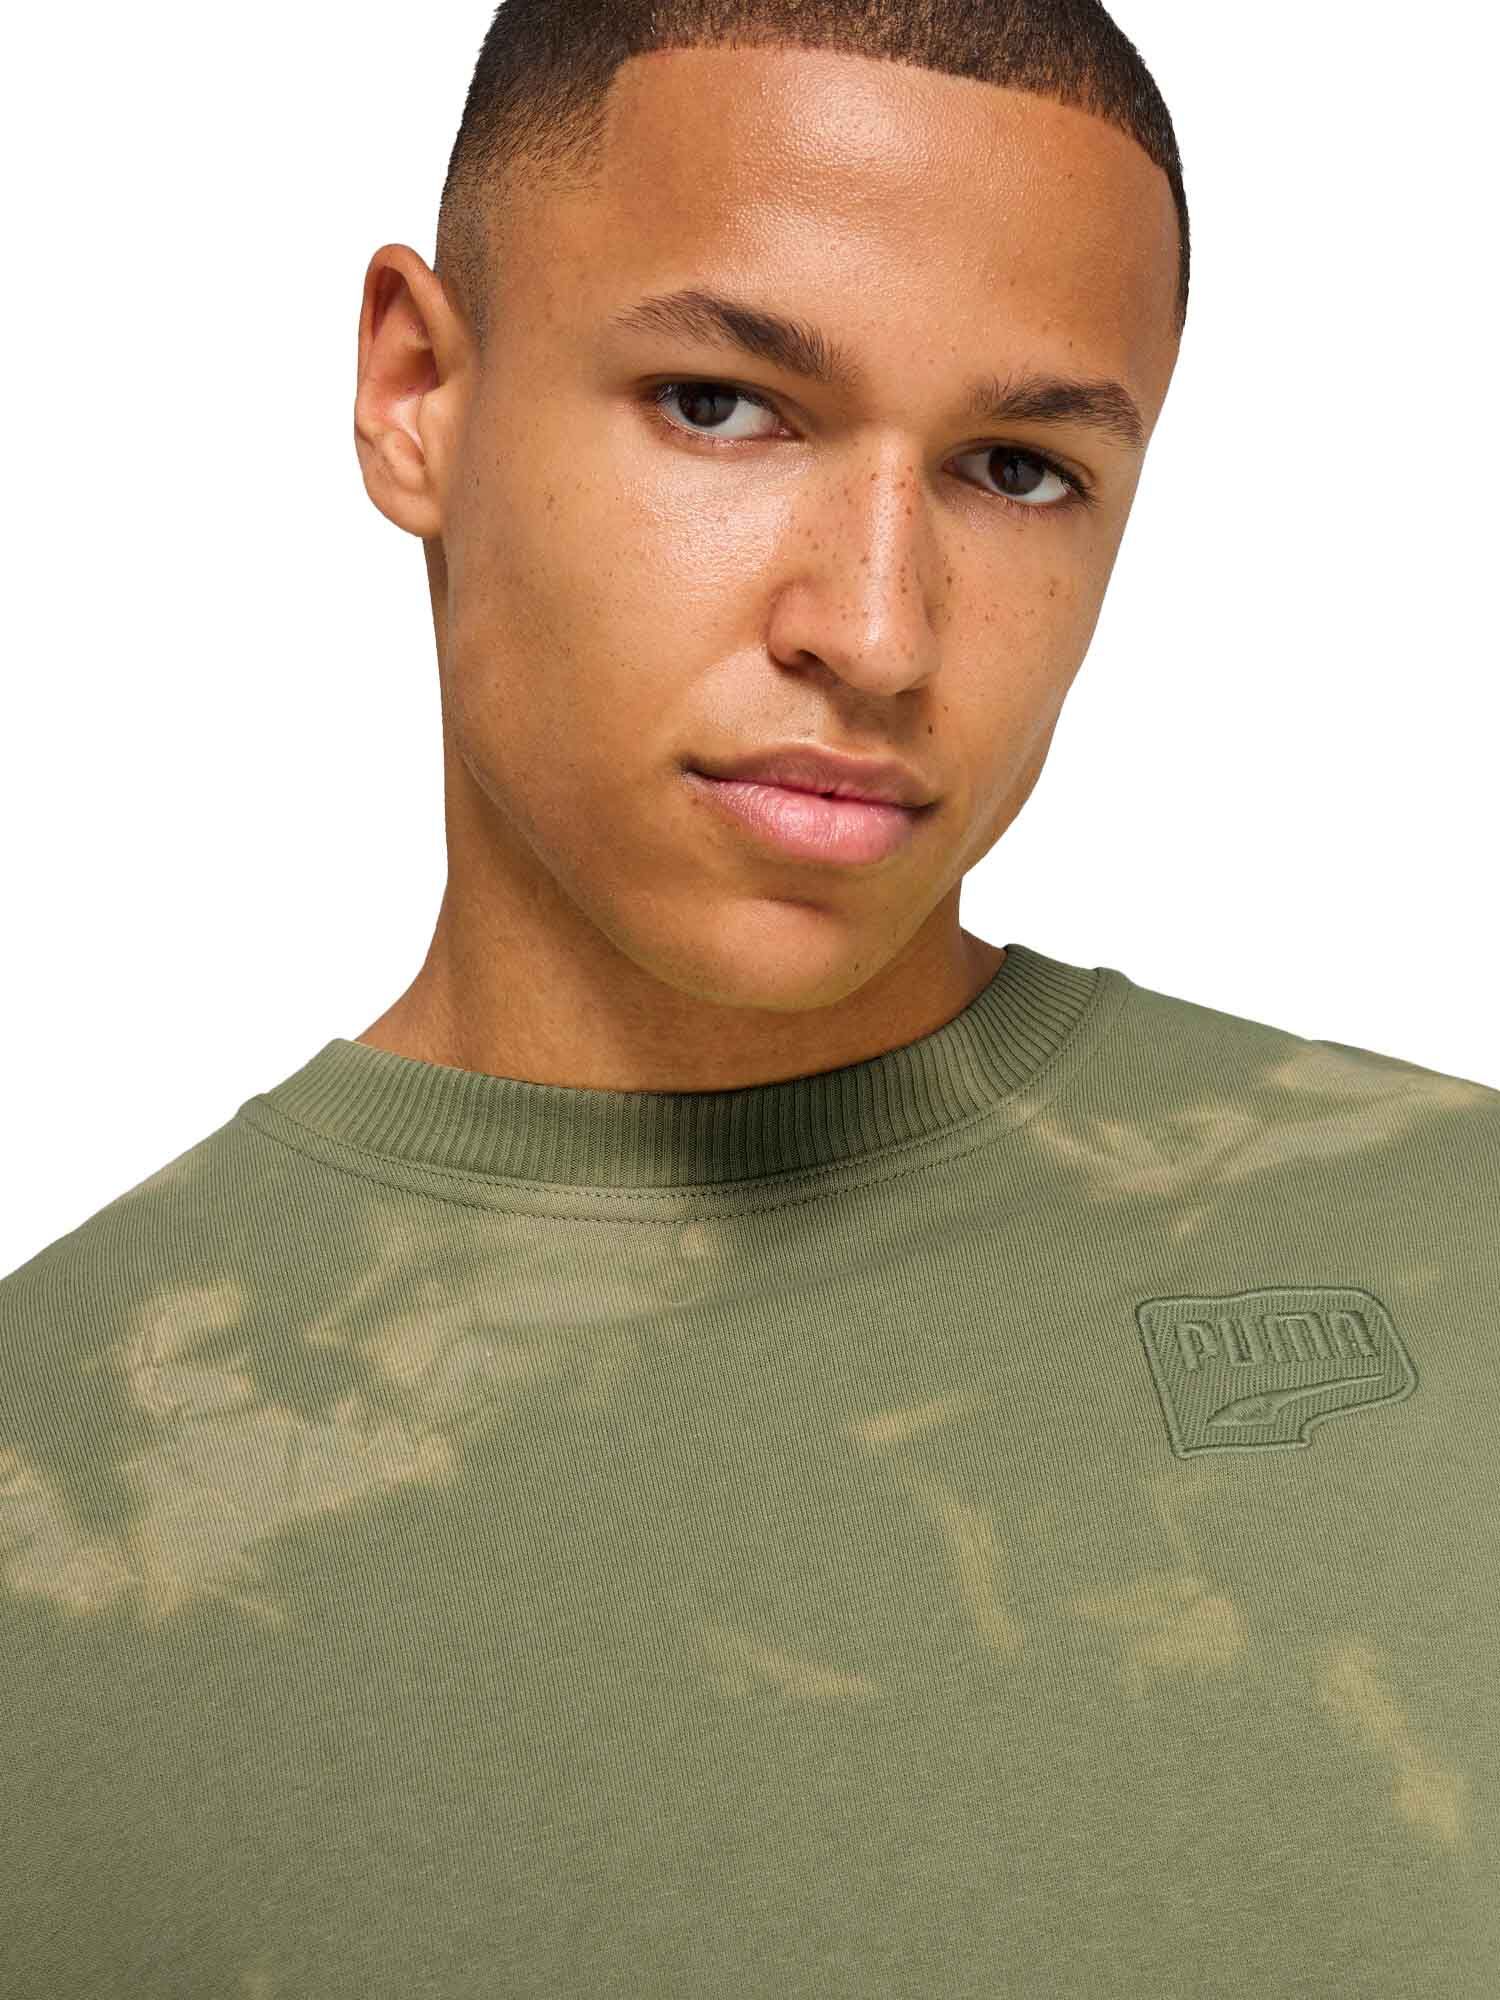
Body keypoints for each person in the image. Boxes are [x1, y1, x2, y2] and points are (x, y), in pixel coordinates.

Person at [1, 2, 1495, 1993]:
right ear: (416, 391)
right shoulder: (55, 1480)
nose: (874, 631)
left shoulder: (1461, 1251)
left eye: (1019, 469)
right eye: (722, 405)